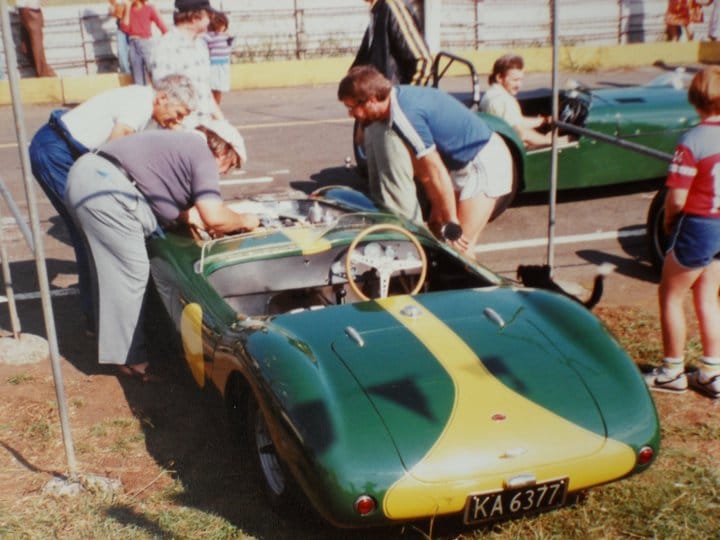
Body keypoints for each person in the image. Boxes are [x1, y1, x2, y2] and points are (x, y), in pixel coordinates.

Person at [64, 121, 259, 380]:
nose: (224, 173)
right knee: (131, 273)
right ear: (223, 152)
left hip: (87, 179)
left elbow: (163, 196)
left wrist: (190, 216)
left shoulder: (182, 143)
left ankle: (115, 347)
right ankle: (131, 361)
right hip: (106, 189)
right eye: (231, 165)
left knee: (111, 272)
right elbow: (213, 216)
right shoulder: (202, 152)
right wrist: (245, 221)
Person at [29, 74, 196, 333]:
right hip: (57, 151)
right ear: (162, 98)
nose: (178, 121)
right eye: (178, 113)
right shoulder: (140, 102)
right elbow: (115, 148)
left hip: (72, 149)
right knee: (92, 231)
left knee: (100, 228)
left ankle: (113, 311)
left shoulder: (150, 111)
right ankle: (97, 322)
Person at [338, 65, 514, 252]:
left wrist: (451, 221)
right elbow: (425, 174)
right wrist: (439, 215)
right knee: (436, 234)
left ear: (371, 100)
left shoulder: (403, 116)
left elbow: (435, 171)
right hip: (460, 164)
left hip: (485, 161)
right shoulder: (395, 103)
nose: (350, 114)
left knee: (459, 249)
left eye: (351, 107)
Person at [644, 66, 720, 398]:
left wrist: (668, 223)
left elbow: (676, 198)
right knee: (708, 296)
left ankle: (672, 371)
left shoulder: (692, 140)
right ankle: (712, 370)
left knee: (671, 294)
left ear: (696, 99)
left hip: (699, 224)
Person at [351, 0, 434, 225]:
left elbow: (423, 62)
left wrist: (400, 111)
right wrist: (361, 124)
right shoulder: (376, 12)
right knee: (380, 195)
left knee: (398, 200)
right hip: (374, 119)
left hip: (390, 119)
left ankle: (412, 247)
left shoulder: (391, 6)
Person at [149, 0, 223, 125]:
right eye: (209, 15)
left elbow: (205, 91)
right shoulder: (166, 47)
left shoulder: (200, 45)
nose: (211, 20)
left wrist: (223, 123)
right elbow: (164, 100)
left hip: (206, 123)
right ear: (195, 17)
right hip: (184, 126)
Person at [480, 54, 568, 149]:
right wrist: (550, 140)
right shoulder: (504, 101)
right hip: (507, 150)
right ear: (499, 78)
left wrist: (544, 120)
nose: (519, 85)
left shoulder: (491, 94)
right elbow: (520, 132)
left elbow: (517, 121)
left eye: (521, 80)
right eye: (515, 80)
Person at [120, 0, 168, 85]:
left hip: (146, 43)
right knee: (137, 75)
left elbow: (162, 26)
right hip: (133, 44)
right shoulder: (128, 10)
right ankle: (140, 94)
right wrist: (127, 8)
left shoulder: (149, 8)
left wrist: (166, 41)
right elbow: (125, 28)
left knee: (154, 73)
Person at [16, 0, 56, 77]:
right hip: (31, 8)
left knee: (26, 47)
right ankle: (45, 75)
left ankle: (47, 72)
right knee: (36, 44)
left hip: (24, 8)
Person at [202, 10, 233, 105]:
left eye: (224, 25)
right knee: (211, 87)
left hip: (223, 65)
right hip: (213, 65)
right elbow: (203, 43)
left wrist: (230, 37)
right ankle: (211, 106)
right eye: (220, 24)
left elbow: (230, 44)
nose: (222, 27)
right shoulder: (209, 36)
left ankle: (216, 106)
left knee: (219, 88)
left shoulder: (225, 36)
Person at [108, 0, 130, 74]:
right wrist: (112, 11)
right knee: (121, 53)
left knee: (136, 53)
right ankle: (126, 74)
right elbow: (113, 9)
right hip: (121, 25)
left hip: (134, 24)